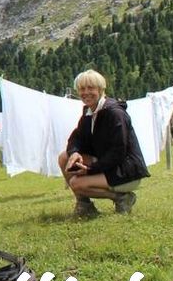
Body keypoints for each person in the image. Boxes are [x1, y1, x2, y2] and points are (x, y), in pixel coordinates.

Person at [59, 69, 150, 216]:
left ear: (101, 90)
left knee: (76, 183)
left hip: (125, 170)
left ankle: (122, 198)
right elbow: (76, 138)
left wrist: (90, 169)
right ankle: (84, 205)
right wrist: (74, 153)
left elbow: (118, 153)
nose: (86, 92)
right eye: (82, 89)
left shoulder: (115, 114)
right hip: (108, 165)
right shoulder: (88, 113)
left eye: (91, 88)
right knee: (64, 157)